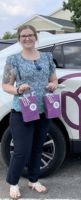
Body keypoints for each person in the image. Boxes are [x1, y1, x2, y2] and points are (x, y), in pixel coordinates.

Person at [2, 24, 58, 199]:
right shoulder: (13, 60)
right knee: (21, 150)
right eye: (23, 36)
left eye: (30, 35)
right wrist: (18, 90)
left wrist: (53, 85)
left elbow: (54, 79)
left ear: (36, 37)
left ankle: (34, 180)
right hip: (22, 111)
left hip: (43, 110)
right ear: (19, 39)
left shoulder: (48, 57)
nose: (27, 38)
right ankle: (13, 183)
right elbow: (5, 85)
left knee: (37, 147)